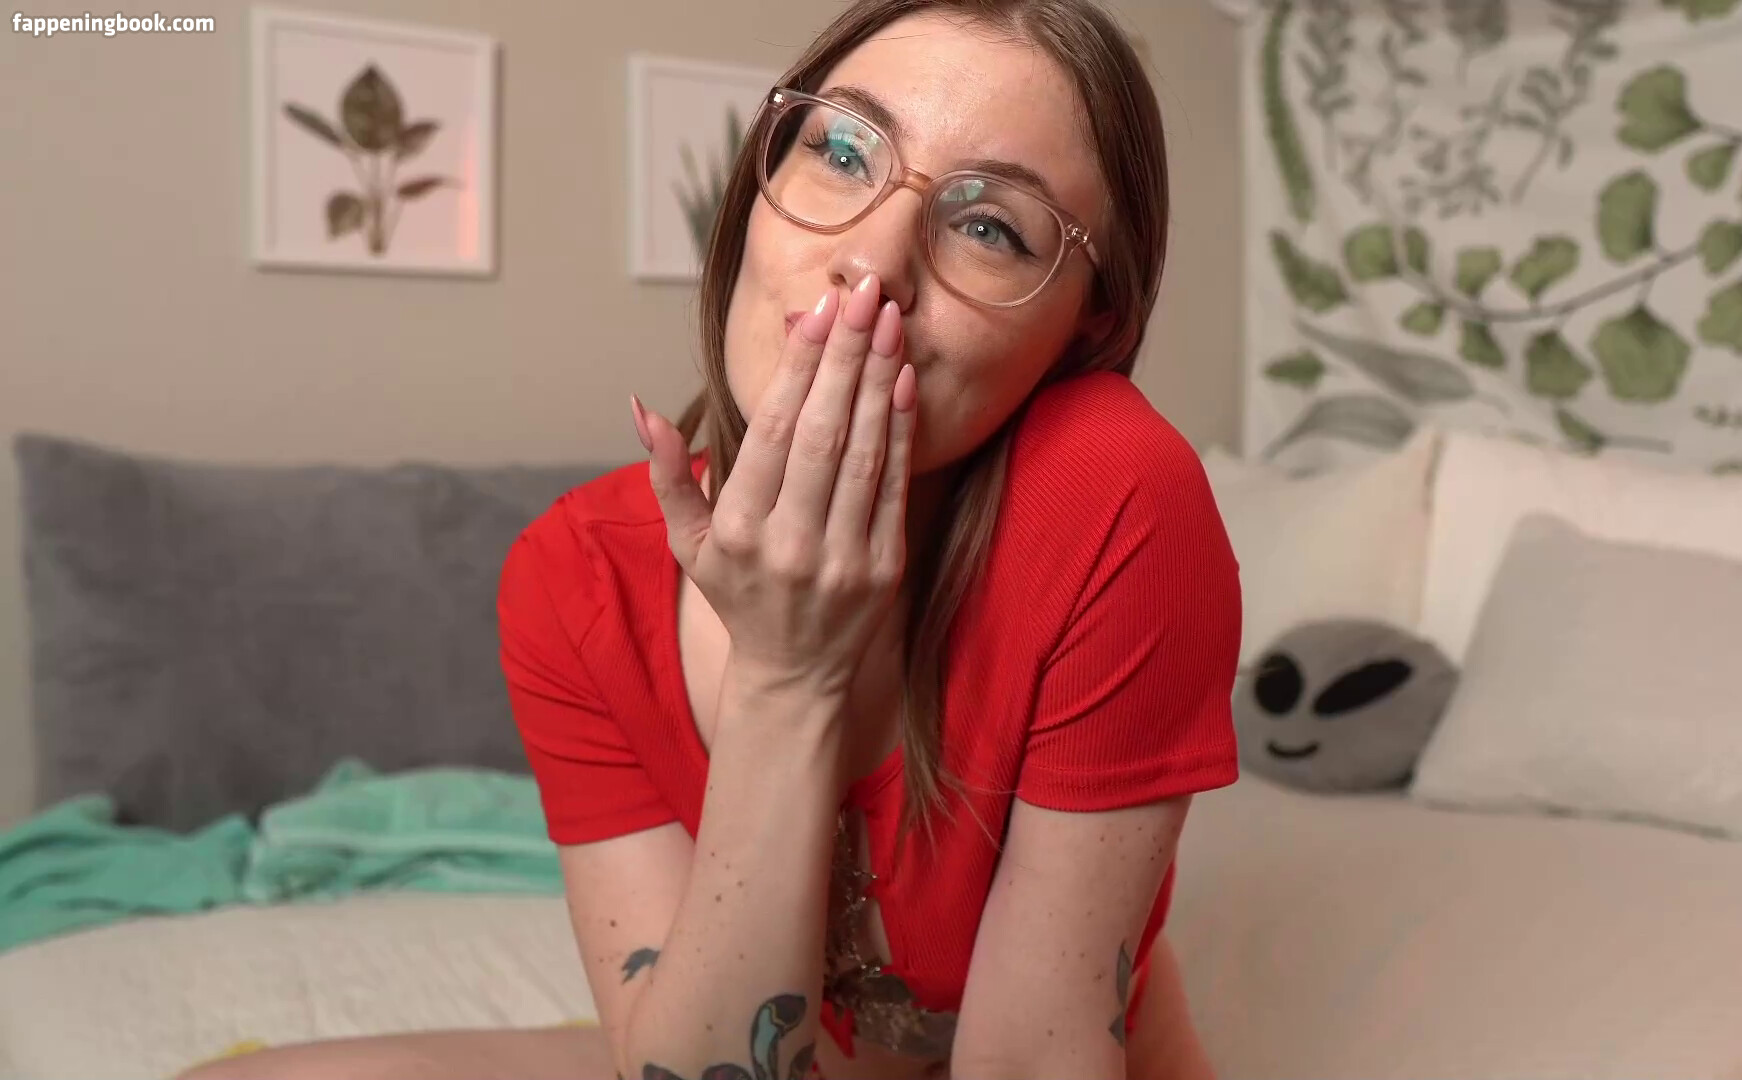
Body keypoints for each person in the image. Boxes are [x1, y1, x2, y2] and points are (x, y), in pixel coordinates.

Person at [177, 0, 1240, 1076]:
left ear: (1089, 326)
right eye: (841, 151)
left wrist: (791, 671)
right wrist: (788, 678)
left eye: (989, 227)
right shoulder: (574, 574)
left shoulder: (1119, 496)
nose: (869, 266)